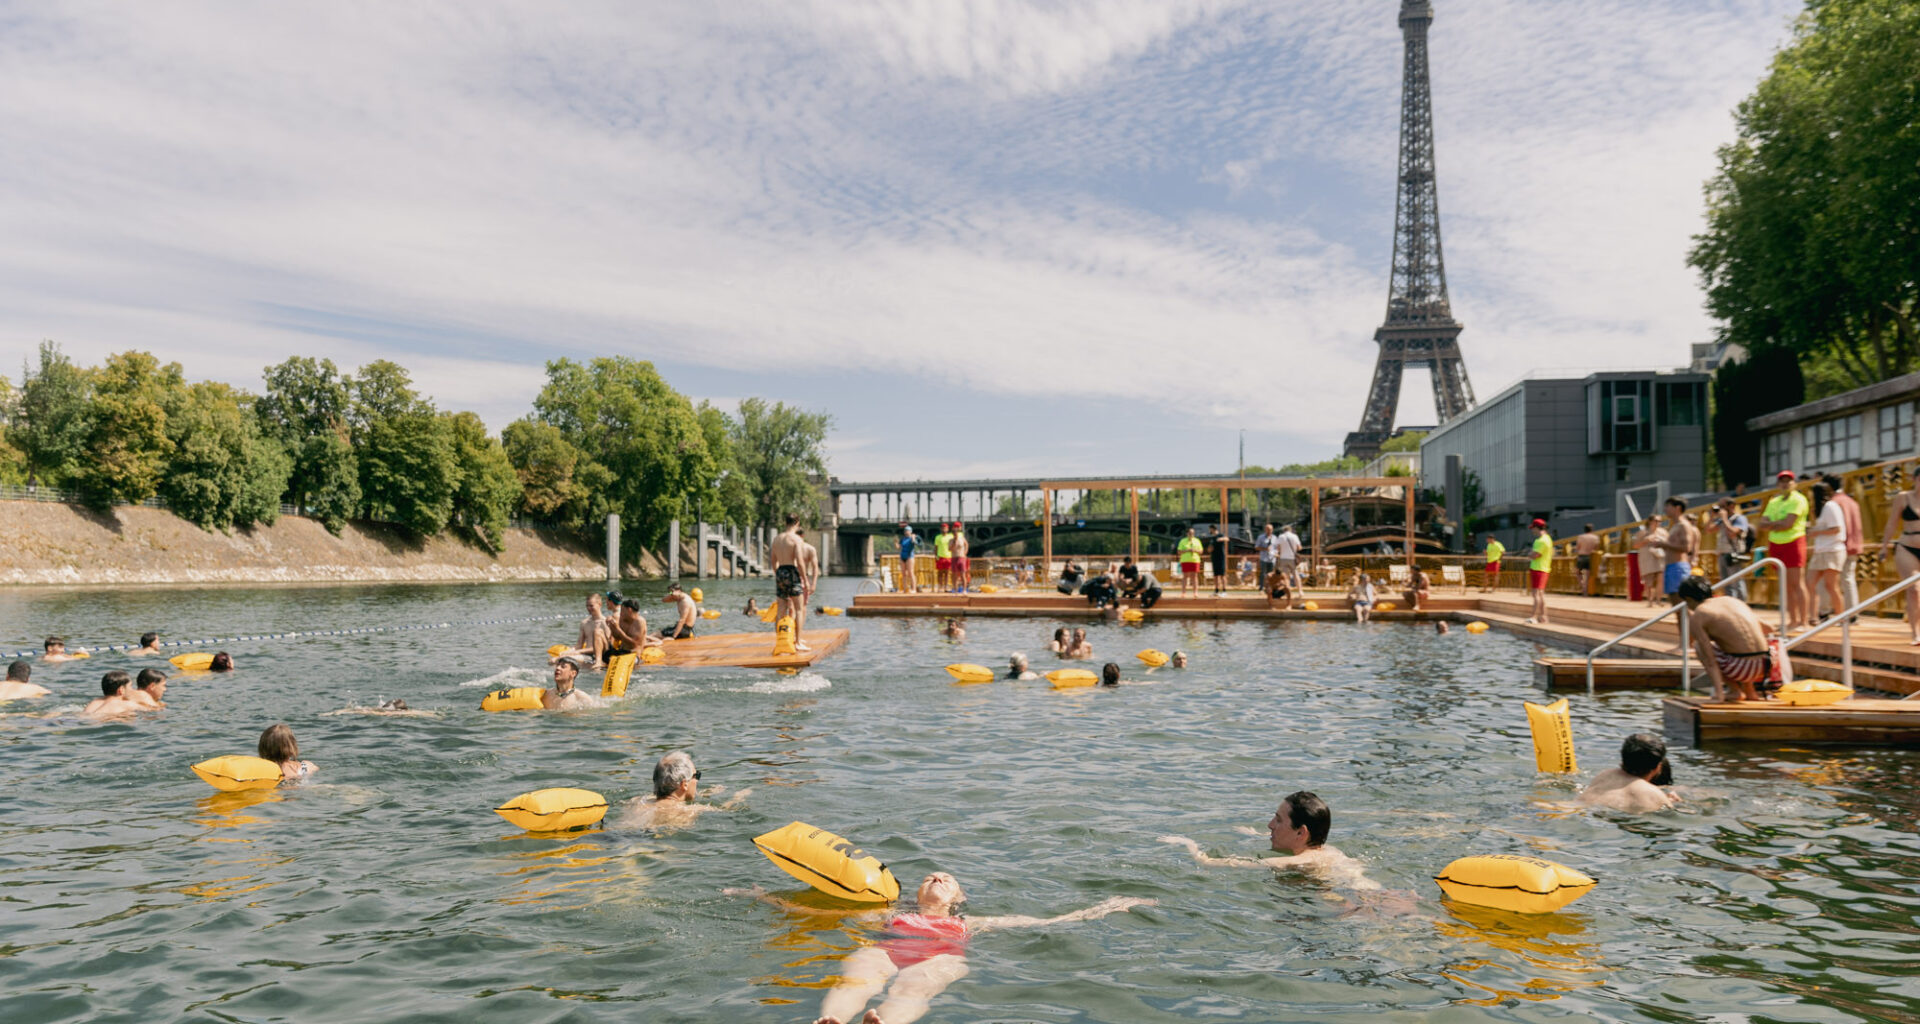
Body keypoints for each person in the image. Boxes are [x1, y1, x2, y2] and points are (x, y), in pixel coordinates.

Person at [733, 874, 1151, 1024]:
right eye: (929, 876)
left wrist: (1107, 907)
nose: (936, 879)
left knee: (912, 989)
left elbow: (1049, 922)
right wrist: (765, 897)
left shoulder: (971, 922)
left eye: (946, 879)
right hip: (889, 946)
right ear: (916, 892)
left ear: (958, 897)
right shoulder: (889, 914)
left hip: (940, 956)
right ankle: (834, 1021)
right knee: (859, 975)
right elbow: (818, 911)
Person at [1158, 790, 1378, 890]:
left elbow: (1207, 863)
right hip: (1370, 891)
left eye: (1278, 820)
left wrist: (1188, 844)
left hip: (1358, 904)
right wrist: (1256, 834)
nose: (1270, 825)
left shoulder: (1294, 861)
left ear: (1301, 833)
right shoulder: (1327, 851)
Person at [1675, 575, 1774, 703]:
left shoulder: (1699, 614)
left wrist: (1719, 695)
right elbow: (1769, 628)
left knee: (1699, 647)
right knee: (1736, 644)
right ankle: (1750, 692)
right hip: (1767, 663)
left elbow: (1710, 661)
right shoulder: (1731, 601)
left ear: (1688, 599)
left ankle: (1732, 691)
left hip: (1743, 669)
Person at [623, 751, 748, 829]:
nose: (697, 780)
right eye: (696, 776)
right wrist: (737, 798)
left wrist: (704, 794)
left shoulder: (638, 801)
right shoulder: (691, 809)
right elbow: (726, 810)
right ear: (684, 784)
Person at [1756, 470, 1811, 631]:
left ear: (1794, 483)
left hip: (1794, 541)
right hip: (1776, 543)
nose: (1785, 484)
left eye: (1788, 481)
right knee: (1785, 585)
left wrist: (1772, 525)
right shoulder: (1774, 501)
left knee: (1797, 582)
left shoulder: (1798, 499)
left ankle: (1803, 621)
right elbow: (1762, 523)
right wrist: (1777, 524)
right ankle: (1792, 620)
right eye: (1782, 481)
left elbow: (1788, 524)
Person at [1578, 733, 1678, 812]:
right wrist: (1671, 803)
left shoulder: (1604, 775)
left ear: (1623, 759)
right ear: (1658, 767)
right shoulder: (1654, 795)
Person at [1878, 473, 1920, 644]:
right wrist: (1884, 546)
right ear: (1914, 479)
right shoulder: (1904, 497)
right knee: (1914, 589)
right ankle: (1915, 633)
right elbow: (1892, 523)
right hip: (1907, 546)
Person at [1805, 482, 1847, 626]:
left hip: (1832, 550)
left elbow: (1836, 529)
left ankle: (1841, 617)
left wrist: (1816, 532)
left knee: (1831, 585)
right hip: (1820, 550)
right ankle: (1813, 616)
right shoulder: (1821, 509)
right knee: (1810, 583)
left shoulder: (1830, 506)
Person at [1821, 474, 1864, 615]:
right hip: (1854, 545)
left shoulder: (1832, 503)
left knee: (1828, 582)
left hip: (1837, 546)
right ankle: (1853, 614)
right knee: (1848, 579)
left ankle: (1825, 612)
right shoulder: (1852, 502)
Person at [1652, 497, 1699, 606]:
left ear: (1677, 508)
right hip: (1671, 567)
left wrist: (1664, 544)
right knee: (1675, 604)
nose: (1665, 509)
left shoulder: (1684, 525)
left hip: (1678, 568)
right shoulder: (1676, 525)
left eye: (1668, 506)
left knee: (1680, 603)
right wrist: (1662, 545)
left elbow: (1687, 547)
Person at [771, 513, 808, 641]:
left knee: (781, 609)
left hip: (780, 571)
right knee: (799, 609)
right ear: (797, 523)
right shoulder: (796, 539)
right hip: (791, 571)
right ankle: (798, 641)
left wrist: (778, 574)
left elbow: (773, 561)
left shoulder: (777, 539)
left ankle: (780, 640)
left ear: (785, 522)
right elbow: (800, 562)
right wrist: (805, 580)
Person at [1712, 499, 1753, 603]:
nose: (1720, 509)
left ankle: (1742, 605)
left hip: (1733, 554)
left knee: (1736, 582)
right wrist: (1712, 516)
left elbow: (1732, 532)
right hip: (1722, 554)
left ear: (1731, 506)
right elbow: (1708, 530)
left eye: (1722, 506)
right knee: (1726, 583)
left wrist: (1725, 519)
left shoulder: (1739, 518)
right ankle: (1730, 605)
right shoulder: (1721, 520)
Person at [1630, 516, 1665, 606]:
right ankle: (1650, 601)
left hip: (1659, 558)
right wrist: (1646, 540)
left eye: (1660, 521)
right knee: (1649, 582)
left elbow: (1669, 543)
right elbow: (1635, 545)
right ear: (1650, 521)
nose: (1658, 522)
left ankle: (1659, 600)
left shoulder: (1663, 532)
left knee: (1660, 579)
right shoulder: (1642, 533)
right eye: (1656, 520)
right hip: (1647, 558)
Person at [1526, 519, 1553, 624]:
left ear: (1537, 528)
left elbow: (1535, 555)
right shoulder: (1548, 539)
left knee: (1536, 593)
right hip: (1544, 568)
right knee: (1540, 594)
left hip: (1538, 569)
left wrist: (1529, 554)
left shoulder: (1540, 541)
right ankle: (1543, 617)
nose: (1532, 530)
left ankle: (1534, 617)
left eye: (1533, 528)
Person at [575, 592, 611, 667]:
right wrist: (567, 652)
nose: (589, 608)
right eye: (587, 606)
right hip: (587, 655)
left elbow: (606, 647)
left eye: (591, 606)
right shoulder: (584, 623)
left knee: (565, 659)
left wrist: (578, 652)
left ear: (600, 604)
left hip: (599, 656)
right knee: (555, 659)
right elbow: (579, 645)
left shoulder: (606, 623)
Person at [1573, 525, 1600, 596]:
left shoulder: (1581, 537)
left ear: (1584, 530)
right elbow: (1596, 547)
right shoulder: (1595, 537)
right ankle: (1587, 588)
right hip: (1591, 556)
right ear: (1592, 530)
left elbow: (1578, 547)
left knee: (1577, 572)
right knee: (1588, 574)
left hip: (1582, 556)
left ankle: (1583, 586)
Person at [1276, 524, 1303, 591]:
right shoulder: (1294, 536)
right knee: (1295, 575)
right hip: (1292, 558)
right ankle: (1300, 591)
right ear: (1290, 530)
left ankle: (1288, 591)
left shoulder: (1281, 536)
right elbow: (1299, 548)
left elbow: (1278, 548)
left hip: (1283, 558)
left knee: (1285, 576)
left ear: (1283, 530)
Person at [1176, 528, 1203, 596]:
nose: (1191, 534)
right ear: (1187, 533)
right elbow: (1179, 551)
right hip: (1185, 561)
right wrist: (1187, 550)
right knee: (1185, 576)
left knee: (1194, 576)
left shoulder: (1197, 540)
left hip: (1195, 560)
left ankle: (1195, 592)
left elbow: (1201, 551)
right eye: (1190, 533)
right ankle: (1183, 592)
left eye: (1193, 533)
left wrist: (1195, 550)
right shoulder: (1183, 541)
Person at [1255, 523, 1279, 590]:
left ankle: (1269, 587)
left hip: (1272, 558)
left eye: (1270, 529)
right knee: (1263, 573)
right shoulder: (1261, 537)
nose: (1269, 531)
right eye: (1268, 529)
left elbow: (1276, 548)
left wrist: (1276, 553)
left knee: (1271, 574)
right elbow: (1256, 547)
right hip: (1264, 558)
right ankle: (1261, 587)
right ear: (1265, 529)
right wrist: (1265, 549)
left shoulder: (1275, 538)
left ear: (1272, 530)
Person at [933, 523, 954, 592]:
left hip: (948, 557)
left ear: (948, 529)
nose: (944, 529)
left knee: (947, 573)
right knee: (940, 573)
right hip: (940, 556)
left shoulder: (951, 536)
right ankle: (940, 586)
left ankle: (946, 586)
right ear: (941, 529)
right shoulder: (938, 537)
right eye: (942, 528)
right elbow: (936, 547)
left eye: (945, 528)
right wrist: (935, 556)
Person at [897, 525, 918, 593]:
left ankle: (914, 588)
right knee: (903, 573)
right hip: (902, 556)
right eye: (905, 531)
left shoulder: (912, 538)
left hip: (909, 556)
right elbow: (899, 547)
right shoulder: (902, 539)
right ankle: (905, 589)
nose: (906, 532)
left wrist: (913, 538)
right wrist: (896, 543)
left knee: (910, 572)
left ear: (910, 531)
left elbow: (915, 543)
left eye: (908, 531)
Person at [950, 523, 970, 593]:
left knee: (963, 575)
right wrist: (954, 542)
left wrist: (965, 552)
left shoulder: (962, 539)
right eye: (954, 533)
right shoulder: (951, 540)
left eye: (956, 532)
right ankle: (955, 590)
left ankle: (964, 590)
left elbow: (966, 544)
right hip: (954, 558)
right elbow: (950, 549)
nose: (955, 534)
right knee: (955, 576)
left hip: (961, 558)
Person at [1209, 529, 1230, 595]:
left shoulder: (1220, 535)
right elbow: (1210, 548)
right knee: (1215, 575)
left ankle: (1224, 591)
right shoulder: (1212, 538)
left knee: (1222, 575)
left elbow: (1227, 539)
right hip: (1214, 558)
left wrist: (1221, 539)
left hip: (1221, 558)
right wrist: (1210, 549)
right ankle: (1216, 590)